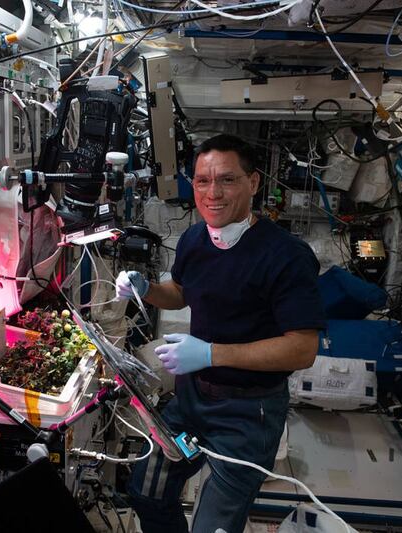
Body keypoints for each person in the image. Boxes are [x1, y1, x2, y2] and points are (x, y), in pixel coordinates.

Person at [115, 134, 326, 533]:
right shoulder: (196, 238)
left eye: (227, 180)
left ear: (254, 183)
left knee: (213, 526)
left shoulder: (286, 256)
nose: (212, 193)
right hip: (191, 402)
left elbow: (303, 349)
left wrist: (211, 354)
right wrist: (146, 288)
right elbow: (179, 294)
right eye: (202, 181)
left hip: (248, 415)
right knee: (147, 491)